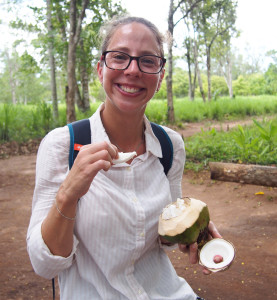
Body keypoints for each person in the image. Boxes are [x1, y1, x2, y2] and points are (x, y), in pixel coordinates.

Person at [27, 16, 222, 300]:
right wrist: (68, 194)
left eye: (147, 61)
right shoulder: (62, 146)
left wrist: (191, 232)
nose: (132, 70)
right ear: (100, 69)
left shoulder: (170, 146)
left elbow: (162, 237)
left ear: (160, 76)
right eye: (119, 57)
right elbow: (44, 265)